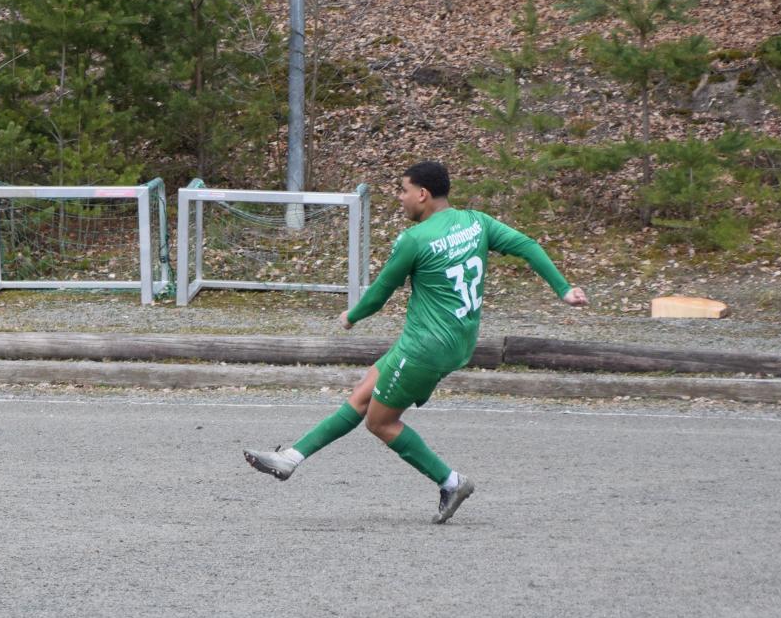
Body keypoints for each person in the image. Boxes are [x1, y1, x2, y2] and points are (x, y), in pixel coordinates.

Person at [243, 160, 589, 524]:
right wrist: (564, 289)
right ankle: (291, 459)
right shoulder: (477, 222)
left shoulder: (415, 239)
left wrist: (351, 316)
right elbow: (528, 246)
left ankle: (451, 481)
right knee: (364, 393)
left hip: (424, 346)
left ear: (422, 194)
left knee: (380, 422)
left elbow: (379, 293)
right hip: (458, 342)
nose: (400, 198)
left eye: (403, 190)